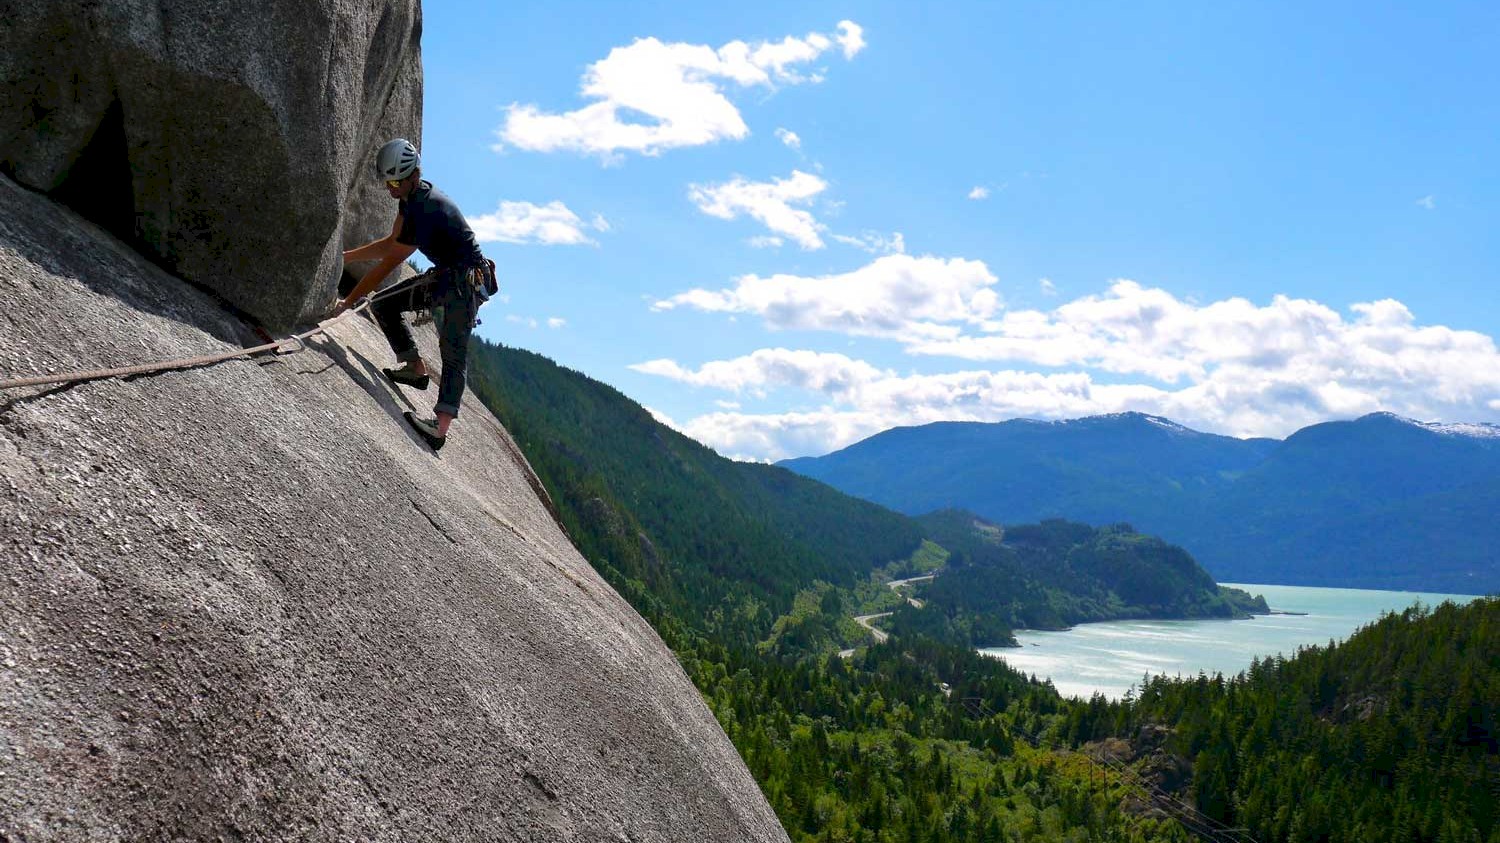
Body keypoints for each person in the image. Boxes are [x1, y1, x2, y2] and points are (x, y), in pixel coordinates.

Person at [338, 138, 493, 452]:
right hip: (447, 276)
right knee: (384, 303)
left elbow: (388, 262)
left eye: (395, 181)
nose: (390, 188)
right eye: (387, 182)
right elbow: (391, 243)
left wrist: (347, 303)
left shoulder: (424, 207)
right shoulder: (409, 199)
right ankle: (414, 368)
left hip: (464, 282)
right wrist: (346, 256)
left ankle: (440, 428)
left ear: (413, 175)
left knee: (453, 350)